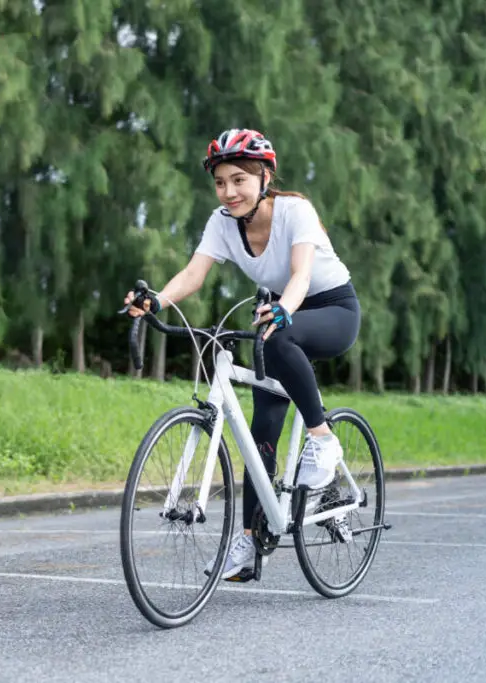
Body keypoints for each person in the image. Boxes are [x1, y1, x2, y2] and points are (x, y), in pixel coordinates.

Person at [124, 128, 361, 581]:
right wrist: (156, 300)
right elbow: (193, 275)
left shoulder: (296, 211)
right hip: (277, 312)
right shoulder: (221, 222)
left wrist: (285, 310)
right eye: (220, 182)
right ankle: (253, 542)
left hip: (329, 308)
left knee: (277, 339)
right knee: (261, 435)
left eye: (239, 180)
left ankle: (323, 440)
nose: (228, 192)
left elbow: (300, 275)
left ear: (264, 177)